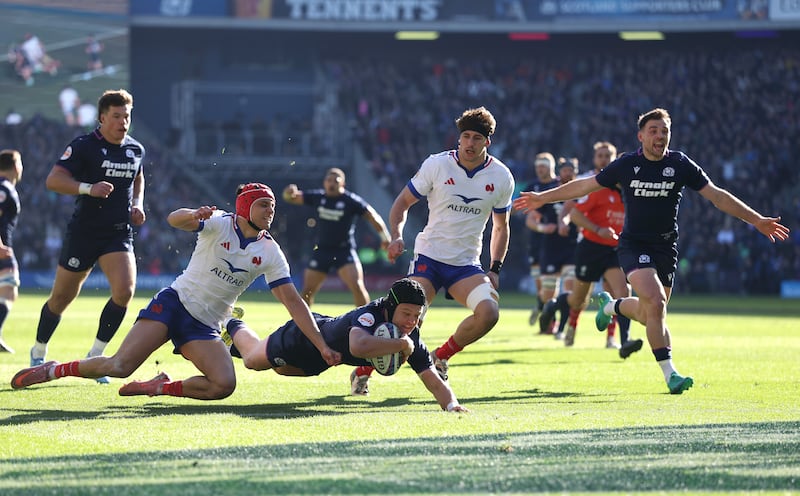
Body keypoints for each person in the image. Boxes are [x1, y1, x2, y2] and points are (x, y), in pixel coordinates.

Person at [513, 108, 790, 394]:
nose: (660, 136)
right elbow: (584, 185)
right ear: (641, 136)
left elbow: (717, 196)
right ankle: (671, 374)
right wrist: (542, 198)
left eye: (665, 131)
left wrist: (756, 219)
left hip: (665, 247)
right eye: (654, 130)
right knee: (656, 303)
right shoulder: (626, 164)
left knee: (650, 313)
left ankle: (611, 306)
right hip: (633, 245)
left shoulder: (680, 164)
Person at [11, 183, 341, 399]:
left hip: (205, 326)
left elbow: (293, 303)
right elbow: (173, 219)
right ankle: (53, 369)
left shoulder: (270, 251)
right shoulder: (219, 223)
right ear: (244, 207)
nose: (271, 211)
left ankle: (161, 387)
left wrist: (322, 344)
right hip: (176, 304)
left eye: (272, 207)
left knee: (224, 385)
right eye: (263, 205)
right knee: (119, 366)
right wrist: (194, 214)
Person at [351, 106, 514, 392]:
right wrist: (396, 236)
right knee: (408, 324)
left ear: (487, 142)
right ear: (458, 138)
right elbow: (402, 203)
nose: (470, 143)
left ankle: (441, 356)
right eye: (466, 136)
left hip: (466, 264)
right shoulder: (437, 165)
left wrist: (495, 268)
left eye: (477, 138)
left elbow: (500, 227)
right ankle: (363, 370)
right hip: (429, 257)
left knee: (489, 314)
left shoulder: (501, 177)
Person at [27, 89, 146, 385]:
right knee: (62, 297)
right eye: (117, 116)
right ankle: (39, 350)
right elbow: (54, 180)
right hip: (84, 233)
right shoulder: (83, 146)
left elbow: (138, 176)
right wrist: (87, 188)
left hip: (117, 234)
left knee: (125, 291)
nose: (123, 122)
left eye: (127, 116)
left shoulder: (135, 150)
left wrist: (138, 204)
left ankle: (96, 358)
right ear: (102, 117)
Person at [224, 278, 468, 412]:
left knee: (278, 368)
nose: (411, 322)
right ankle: (229, 321)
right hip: (304, 337)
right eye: (406, 313)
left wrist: (451, 404)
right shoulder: (371, 316)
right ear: (390, 307)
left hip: (320, 361)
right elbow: (358, 346)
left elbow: (432, 378)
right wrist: (400, 344)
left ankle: (224, 343)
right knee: (253, 361)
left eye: (416, 316)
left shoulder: (409, 335)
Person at [538, 142, 642, 357]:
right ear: (595, 158)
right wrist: (596, 229)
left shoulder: (629, 191)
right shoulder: (595, 186)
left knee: (622, 292)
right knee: (579, 299)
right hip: (590, 248)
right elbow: (575, 213)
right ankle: (555, 304)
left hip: (614, 249)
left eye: (608, 156)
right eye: (600, 156)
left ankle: (624, 341)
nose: (604, 159)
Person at [282, 167, 391, 307]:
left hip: (344, 251)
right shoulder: (318, 197)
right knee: (307, 291)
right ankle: (301, 325)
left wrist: (385, 237)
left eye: (335, 181)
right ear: (324, 182)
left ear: (343, 184)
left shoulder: (351, 201)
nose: (331, 183)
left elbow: (372, 216)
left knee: (357, 287)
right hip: (322, 250)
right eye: (329, 180)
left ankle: (366, 321)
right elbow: (290, 198)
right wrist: (288, 192)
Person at [535, 156, 579, 337]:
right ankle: (549, 321)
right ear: (559, 172)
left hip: (572, 247)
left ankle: (561, 328)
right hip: (551, 247)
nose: (568, 173)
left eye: (571, 170)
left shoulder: (581, 191)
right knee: (548, 293)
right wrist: (542, 227)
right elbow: (532, 218)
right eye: (565, 170)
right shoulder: (550, 192)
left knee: (568, 289)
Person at [524, 153, 558, 328]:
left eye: (543, 166)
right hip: (537, 242)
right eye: (538, 166)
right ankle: (543, 309)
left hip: (557, 242)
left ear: (551, 166)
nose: (540, 169)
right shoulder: (532, 186)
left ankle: (550, 323)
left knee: (550, 285)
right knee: (541, 287)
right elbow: (525, 212)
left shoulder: (558, 185)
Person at [0, 150, 23, 353]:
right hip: (1, 248)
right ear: (16, 166)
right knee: (9, 287)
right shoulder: (4, 188)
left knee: (7, 289)